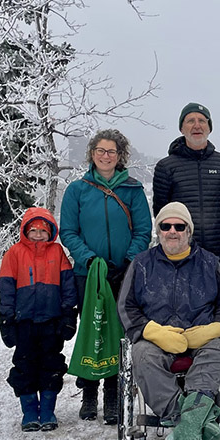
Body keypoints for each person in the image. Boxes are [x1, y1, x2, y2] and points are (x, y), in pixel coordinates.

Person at [118, 202, 220, 440]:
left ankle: (187, 427)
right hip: (157, 337)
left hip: (201, 333)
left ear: (188, 231)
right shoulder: (142, 264)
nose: (172, 231)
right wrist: (150, 331)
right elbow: (126, 306)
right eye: (166, 226)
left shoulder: (209, 262)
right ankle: (189, 421)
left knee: (219, 350)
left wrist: (215, 328)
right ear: (158, 231)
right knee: (141, 355)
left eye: (179, 226)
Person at [60, 129, 152, 424]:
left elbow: (143, 231)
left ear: (120, 156)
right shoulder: (77, 190)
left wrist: (128, 260)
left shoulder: (133, 190)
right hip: (88, 274)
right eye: (100, 150)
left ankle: (113, 396)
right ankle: (89, 394)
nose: (105, 156)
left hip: (124, 273)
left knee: (119, 335)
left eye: (111, 151)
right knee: (93, 330)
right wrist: (89, 258)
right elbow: (69, 231)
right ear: (92, 153)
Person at [0, 208, 78, 432]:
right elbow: (6, 286)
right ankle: (30, 411)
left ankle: (48, 410)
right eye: (33, 230)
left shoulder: (57, 252)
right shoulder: (14, 253)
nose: (38, 234)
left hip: (51, 320)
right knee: (25, 365)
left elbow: (68, 284)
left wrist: (68, 312)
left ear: (51, 231)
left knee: (51, 364)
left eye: (43, 230)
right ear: (25, 230)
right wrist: (6, 316)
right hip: (24, 321)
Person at [152, 102, 220, 276]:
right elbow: (161, 210)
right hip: (179, 250)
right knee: (179, 301)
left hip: (218, 249)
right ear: (182, 128)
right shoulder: (166, 166)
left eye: (202, 120)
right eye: (190, 121)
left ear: (209, 128)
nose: (197, 125)